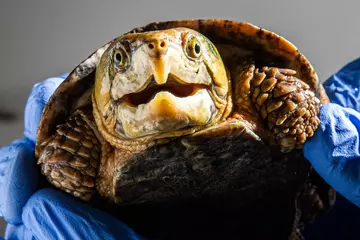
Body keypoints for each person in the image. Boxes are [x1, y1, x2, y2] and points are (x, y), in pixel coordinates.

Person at [0, 58, 359, 239]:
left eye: (191, 52)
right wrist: (60, 165)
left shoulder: (253, 89)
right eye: (124, 60)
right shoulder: (90, 129)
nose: (160, 64)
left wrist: (290, 104)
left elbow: (305, 118)